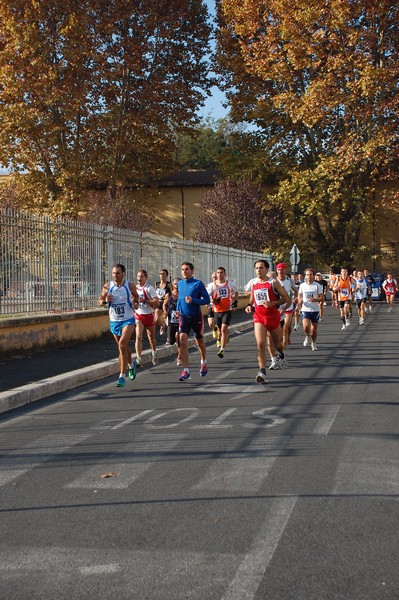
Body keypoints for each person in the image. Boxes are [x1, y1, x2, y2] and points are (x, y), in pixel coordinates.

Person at [245, 259, 290, 383]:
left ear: (267, 269)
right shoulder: (254, 283)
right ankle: (262, 372)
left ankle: (282, 354)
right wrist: (249, 305)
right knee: (260, 344)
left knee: (278, 344)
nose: (258, 270)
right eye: (257, 268)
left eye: (261, 268)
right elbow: (252, 298)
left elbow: (285, 298)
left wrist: (272, 303)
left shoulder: (273, 283)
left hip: (273, 316)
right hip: (259, 317)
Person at [98, 263, 140, 387]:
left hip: (128, 319)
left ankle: (122, 376)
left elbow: (136, 297)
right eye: (113, 273)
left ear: (123, 274)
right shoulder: (107, 287)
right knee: (123, 347)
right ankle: (131, 365)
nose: (115, 275)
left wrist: (136, 303)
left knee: (122, 344)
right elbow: (100, 301)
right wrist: (106, 300)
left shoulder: (130, 286)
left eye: (117, 273)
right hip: (114, 320)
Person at [176, 262, 210, 382]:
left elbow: (207, 299)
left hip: (196, 317)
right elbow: (180, 299)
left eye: (186, 269)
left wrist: (194, 300)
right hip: (183, 317)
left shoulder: (198, 284)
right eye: (182, 270)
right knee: (183, 342)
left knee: (199, 340)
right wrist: (177, 309)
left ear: (192, 271)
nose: (184, 271)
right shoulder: (179, 284)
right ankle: (186, 371)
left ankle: (203, 361)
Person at [206, 267, 238, 358]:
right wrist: (213, 300)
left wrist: (235, 302)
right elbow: (206, 296)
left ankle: (222, 349)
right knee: (220, 330)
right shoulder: (212, 285)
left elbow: (236, 293)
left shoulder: (230, 284)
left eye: (221, 272)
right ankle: (221, 339)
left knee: (224, 329)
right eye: (218, 273)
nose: (219, 274)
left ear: (225, 274)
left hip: (227, 310)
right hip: (217, 310)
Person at [134, 269, 160, 367]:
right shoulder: (135, 288)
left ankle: (154, 352)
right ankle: (138, 359)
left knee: (151, 338)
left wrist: (145, 301)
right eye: (138, 276)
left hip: (149, 315)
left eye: (141, 276)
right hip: (139, 315)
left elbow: (157, 302)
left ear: (146, 278)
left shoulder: (149, 288)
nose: (139, 278)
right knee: (138, 336)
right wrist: (135, 304)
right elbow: (134, 301)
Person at [298, 267, 324, 351]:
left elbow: (322, 298)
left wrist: (315, 299)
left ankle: (313, 343)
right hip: (305, 309)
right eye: (307, 275)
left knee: (314, 329)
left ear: (313, 276)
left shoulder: (317, 285)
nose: (308, 276)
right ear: (305, 276)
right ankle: (307, 336)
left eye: (310, 275)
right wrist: (299, 300)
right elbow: (299, 295)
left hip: (315, 309)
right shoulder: (302, 285)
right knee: (305, 327)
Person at [276, 262, 298, 348]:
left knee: (285, 327)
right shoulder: (274, 281)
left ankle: (283, 350)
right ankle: (284, 338)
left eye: (282, 269)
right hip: (278, 307)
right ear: (276, 271)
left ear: (285, 270)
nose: (280, 271)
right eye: (278, 270)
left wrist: (295, 298)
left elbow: (295, 290)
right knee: (280, 328)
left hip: (288, 306)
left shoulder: (289, 280)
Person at [163, 277, 182, 365]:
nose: (177, 285)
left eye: (179, 283)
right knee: (171, 341)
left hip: (181, 320)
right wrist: (165, 312)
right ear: (172, 285)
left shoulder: (183, 294)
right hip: (171, 319)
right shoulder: (169, 295)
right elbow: (164, 304)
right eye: (175, 283)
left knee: (178, 337)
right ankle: (180, 348)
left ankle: (179, 356)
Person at [154, 269, 171, 336]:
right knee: (155, 319)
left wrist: (166, 297)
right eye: (161, 274)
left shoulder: (169, 284)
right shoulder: (157, 284)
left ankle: (162, 327)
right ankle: (162, 325)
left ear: (166, 275)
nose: (162, 275)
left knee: (156, 318)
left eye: (163, 274)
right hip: (157, 302)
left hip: (164, 302)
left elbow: (172, 293)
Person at [206, 272, 219, 344]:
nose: (215, 279)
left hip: (221, 308)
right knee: (211, 324)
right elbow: (205, 296)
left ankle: (219, 339)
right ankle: (215, 328)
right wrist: (207, 302)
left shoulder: (222, 285)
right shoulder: (209, 286)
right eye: (213, 277)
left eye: (216, 277)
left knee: (220, 325)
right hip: (212, 306)